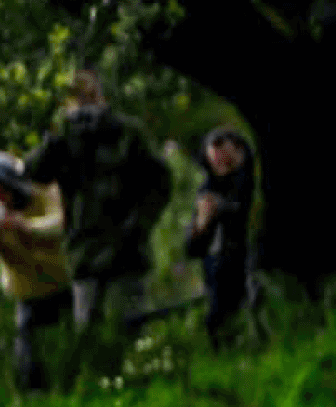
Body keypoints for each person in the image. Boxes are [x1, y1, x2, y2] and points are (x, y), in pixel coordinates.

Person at [24, 70, 172, 330]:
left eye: (88, 96)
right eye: (76, 98)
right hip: (85, 252)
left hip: (126, 251)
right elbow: (34, 172)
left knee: (130, 327)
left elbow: (160, 183)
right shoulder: (66, 138)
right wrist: (57, 136)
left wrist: (139, 224)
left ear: (100, 96)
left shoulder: (127, 132)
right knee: (88, 334)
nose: (84, 104)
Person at [0, 152, 70, 392]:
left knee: (71, 349)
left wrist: (27, 227)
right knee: (28, 361)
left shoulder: (43, 189)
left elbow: (61, 223)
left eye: (0, 191)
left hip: (63, 285)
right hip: (27, 293)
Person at [182, 128, 256, 345]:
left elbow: (245, 214)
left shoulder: (251, 182)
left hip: (251, 269)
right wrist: (201, 225)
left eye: (227, 162)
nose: (221, 168)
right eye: (215, 163)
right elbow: (193, 248)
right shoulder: (208, 189)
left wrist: (222, 210)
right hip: (218, 277)